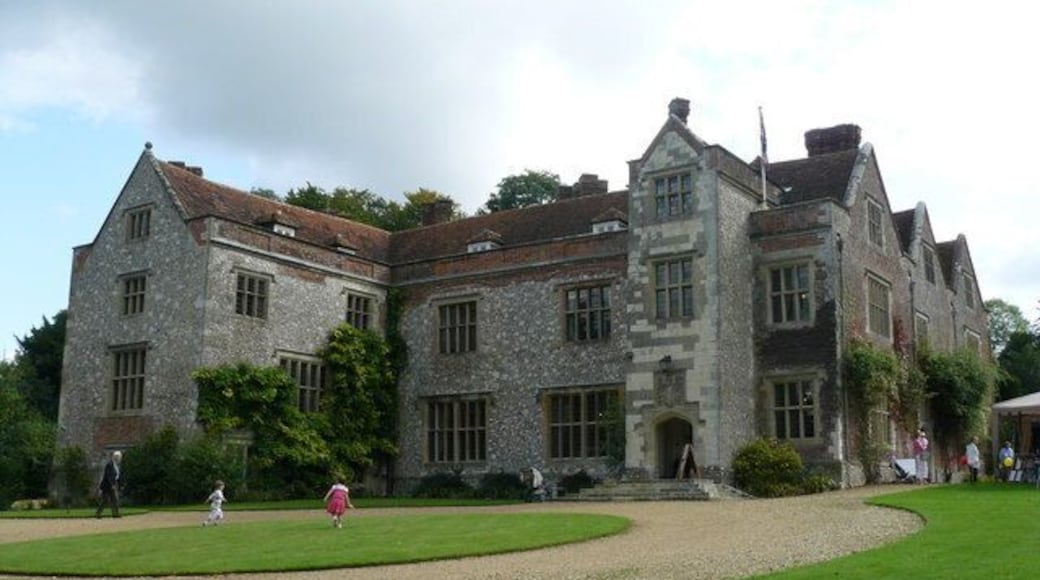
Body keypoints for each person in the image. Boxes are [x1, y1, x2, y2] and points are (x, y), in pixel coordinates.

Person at [95, 450, 122, 518]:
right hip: (107, 485)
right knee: (105, 500)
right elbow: (108, 476)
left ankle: (115, 514)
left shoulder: (117, 466)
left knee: (115, 500)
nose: (119, 459)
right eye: (118, 457)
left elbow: (117, 476)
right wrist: (112, 484)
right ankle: (98, 513)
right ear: (115, 457)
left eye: (120, 458)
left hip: (114, 484)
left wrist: (120, 485)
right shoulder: (109, 465)